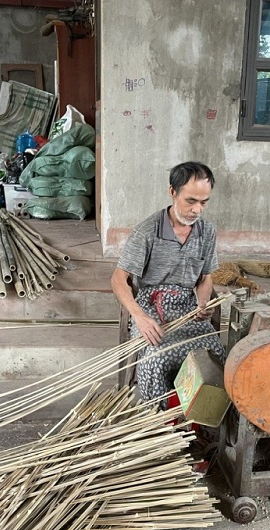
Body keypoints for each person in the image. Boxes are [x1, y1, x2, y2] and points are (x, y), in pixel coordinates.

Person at [111, 161, 226, 403]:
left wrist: (203, 302)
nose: (197, 210)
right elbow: (119, 279)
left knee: (214, 354)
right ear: (172, 192)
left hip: (188, 307)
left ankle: (201, 421)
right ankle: (159, 421)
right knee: (157, 356)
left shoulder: (207, 231)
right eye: (190, 201)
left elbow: (206, 278)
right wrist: (139, 317)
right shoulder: (147, 232)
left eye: (204, 203)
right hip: (151, 307)